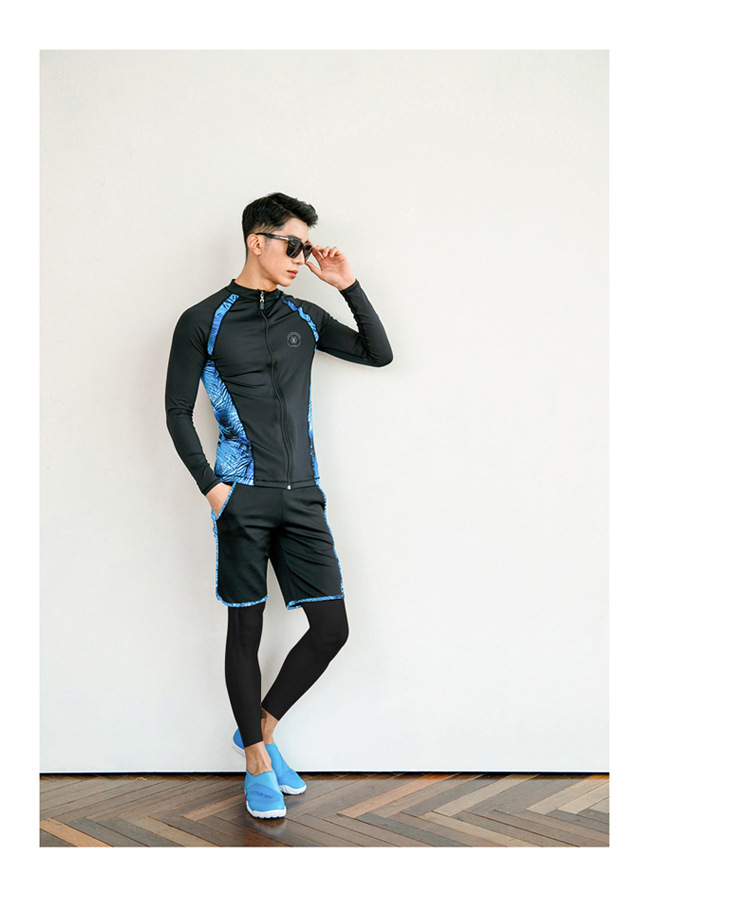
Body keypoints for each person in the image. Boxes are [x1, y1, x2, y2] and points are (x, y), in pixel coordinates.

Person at [165, 192, 393, 818]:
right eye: (293, 245)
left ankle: (258, 730)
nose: (300, 257)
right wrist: (213, 488)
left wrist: (346, 285)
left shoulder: (304, 315)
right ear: (256, 241)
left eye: (305, 247)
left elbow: (378, 353)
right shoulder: (203, 319)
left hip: (303, 496)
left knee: (332, 628)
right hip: (242, 496)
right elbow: (176, 411)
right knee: (246, 629)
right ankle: (257, 762)